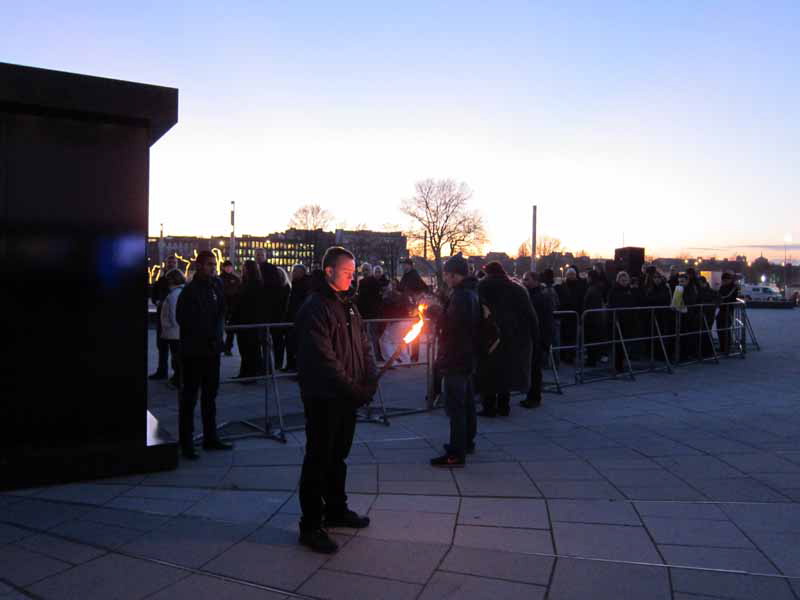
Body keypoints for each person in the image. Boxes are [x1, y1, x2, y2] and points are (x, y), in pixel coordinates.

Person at [295, 247, 378, 554]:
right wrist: (352, 388)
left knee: (338, 457)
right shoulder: (315, 307)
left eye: (353, 272)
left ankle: (336, 509)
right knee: (318, 458)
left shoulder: (349, 305)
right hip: (325, 397)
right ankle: (311, 525)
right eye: (347, 272)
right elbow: (323, 358)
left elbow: (363, 345)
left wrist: (368, 378)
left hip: (346, 396)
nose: (352, 276)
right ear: (329, 271)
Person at [175, 251, 233, 459]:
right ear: (199, 266)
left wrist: (217, 338)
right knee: (189, 398)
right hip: (194, 352)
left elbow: (220, 312)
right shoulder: (190, 291)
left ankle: (210, 437)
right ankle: (187, 442)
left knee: (210, 396)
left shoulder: (215, 286)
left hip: (211, 351)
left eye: (214, 264)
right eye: (209, 264)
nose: (213, 267)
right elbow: (184, 319)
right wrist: (205, 335)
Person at [430, 253, 481, 466]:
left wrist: (436, 313)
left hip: (456, 357)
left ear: (456, 275)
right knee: (467, 403)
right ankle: (466, 442)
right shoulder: (470, 293)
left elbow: (454, 327)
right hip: (466, 356)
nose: (446, 279)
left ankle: (456, 453)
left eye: (449, 275)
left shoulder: (461, 296)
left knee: (456, 406)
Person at [477, 262, 537, 417]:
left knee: (488, 373)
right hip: (512, 337)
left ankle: (488, 407)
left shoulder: (481, 287)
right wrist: (535, 337)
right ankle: (504, 406)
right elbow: (531, 316)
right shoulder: (518, 289)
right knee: (505, 372)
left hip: (488, 336)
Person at [231, 260, 268, 380]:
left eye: (244, 268)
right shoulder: (252, 283)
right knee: (248, 349)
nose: (242, 270)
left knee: (248, 348)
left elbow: (247, 303)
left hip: (248, 321)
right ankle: (248, 373)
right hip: (249, 320)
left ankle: (249, 374)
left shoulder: (253, 284)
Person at [521, 272, 551, 408]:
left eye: (527, 279)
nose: (524, 282)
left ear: (535, 281)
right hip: (533, 337)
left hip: (537, 338)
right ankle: (532, 395)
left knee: (534, 369)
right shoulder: (533, 295)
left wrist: (544, 340)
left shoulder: (539, 297)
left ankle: (534, 397)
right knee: (532, 368)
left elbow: (544, 321)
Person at [150, 255, 179, 380]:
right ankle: (163, 371)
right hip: (163, 317)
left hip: (172, 320)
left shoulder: (177, 280)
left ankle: (175, 373)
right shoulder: (161, 280)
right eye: (170, 262)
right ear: (166, 264)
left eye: (173, 262)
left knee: (174, 348)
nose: (171, 264)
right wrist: (157, 302)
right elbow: (154, 295)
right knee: (162, 346)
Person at [608, 271, 640, 373]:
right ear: (618, 280)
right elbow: (611, 303)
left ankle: (622, 363)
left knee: (625, 343)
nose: (624, 282)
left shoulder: (630, 291)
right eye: (622, 280)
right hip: (618, 320)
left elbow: (634, 302)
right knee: (618, 344)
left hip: (628, 320)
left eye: (625, 280)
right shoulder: (614, 290)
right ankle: (617, 366)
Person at [159, 269, 186, 388]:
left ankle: (178, 380)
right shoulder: (179, 292)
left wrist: (173, 326)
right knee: (177, 357)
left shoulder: (175, 294)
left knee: (177, 357)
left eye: (169, 279)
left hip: (174, 332)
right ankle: (178, 378)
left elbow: (175, 314)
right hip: (175, 331)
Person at [378, 279, 412, 364]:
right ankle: (406, 360)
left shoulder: (390, 296)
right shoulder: (404, 296)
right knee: (400, 341)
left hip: (396, 322)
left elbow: (385, 308)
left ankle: (392, 362)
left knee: (385, 341)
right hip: (406, 321)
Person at [286, 264, 312, 371]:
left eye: (296, 271)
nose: (293, 273)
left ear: (302, 272)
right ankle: (291, 365)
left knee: (298, 345)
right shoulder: (296, 283)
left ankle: (297, 367)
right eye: (293, 271)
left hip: (299, 317)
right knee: (291, 343)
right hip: (293, 317)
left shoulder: (305, 285)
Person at [555, 268, 584, 363]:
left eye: (573, 274)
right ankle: (564, 355)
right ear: (567, 276)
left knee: (573, 337)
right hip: (565, 315)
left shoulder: (579, 287)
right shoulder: (561, 287)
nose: (571, 276)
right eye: (570, 274)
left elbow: (581, 301)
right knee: (564, 336)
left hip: (574, 315)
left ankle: (571, 355)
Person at [643, 271, 673, 361]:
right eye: (655, 278)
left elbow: (664, 299)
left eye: (658, 278)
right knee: (653, 335)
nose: (656, 280)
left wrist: (653, 300)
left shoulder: (665, 288)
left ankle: (662, 354)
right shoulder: (650, 288)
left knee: (662, 335)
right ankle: (653, 353)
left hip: (662, 315)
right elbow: (647, 299)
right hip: (653, 315)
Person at [356, 263, 383, 360]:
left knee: (372, 335)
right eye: (364, 270)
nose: (365, 272)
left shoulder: (372, 282)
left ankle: (376, 355)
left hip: (370, 312)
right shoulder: (363, 282)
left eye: (366, 270)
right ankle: (372, 356)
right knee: (368, 335)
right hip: (366, 313)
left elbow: (376, 298)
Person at [582, 270, 607, 367]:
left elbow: (590, 305)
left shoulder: (592, 289)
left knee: (591, 340)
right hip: (596, 319)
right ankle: (592, 358)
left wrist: (586, 318)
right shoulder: (596, 288)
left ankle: (591, 360)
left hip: (592, 320)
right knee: (594, 340)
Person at [219, 260, 241, 356]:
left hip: (232, 307)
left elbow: (238, 291)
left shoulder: (235, 278)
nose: (228, 268)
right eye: (226, 267)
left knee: (230, 330)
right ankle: (220, 346)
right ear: (223, 268)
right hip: (222, 306)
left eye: (230, 267)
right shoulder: (219, 278)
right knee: (219, 328)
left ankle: (228, 347)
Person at [271, 267, 292, 370]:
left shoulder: (286, 287)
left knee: (279, 343)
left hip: (281, 318)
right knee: (276, 342)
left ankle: (278, 363)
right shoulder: (276, 287)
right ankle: (276, 363)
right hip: (275, 318)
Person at [716, 272, 739, 354]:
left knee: (725, 329)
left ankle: (727, 347)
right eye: (723, 280)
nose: (724, 282)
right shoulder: (723, 287)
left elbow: (728, 297)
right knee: (720, 328)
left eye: (726, 280)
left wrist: (721, 299)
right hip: (722, 309)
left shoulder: (733, 288)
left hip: (728, 310)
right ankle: (722, 346)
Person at [697, 276, 718, 358]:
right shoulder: (700, 291)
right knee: (704, 333)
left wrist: (710, 307)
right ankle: (705, 351)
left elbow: (718, 299)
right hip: (702, 314)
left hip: (708, 314)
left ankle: (707, 352)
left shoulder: (710, 292)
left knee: (706, 332)